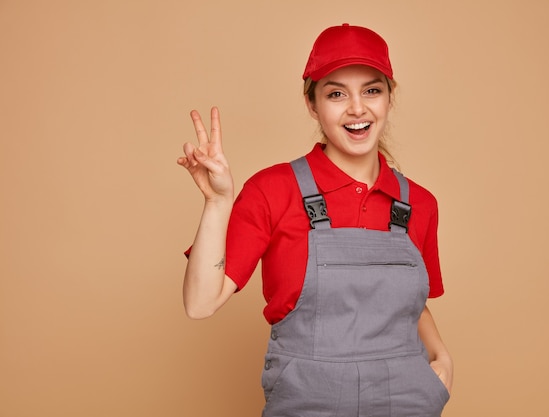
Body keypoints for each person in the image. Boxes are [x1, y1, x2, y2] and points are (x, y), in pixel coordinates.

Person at [177, 23, 453, 417]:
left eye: (371, 90)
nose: (357, 108)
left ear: (390, 98)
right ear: (312, 104)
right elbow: (200, 304)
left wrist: (442, 359)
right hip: (307, 404)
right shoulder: (273, 189)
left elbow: (413, 305)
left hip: (407, 403)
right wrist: (218, 202)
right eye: (336, 93)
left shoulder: (419, 204)